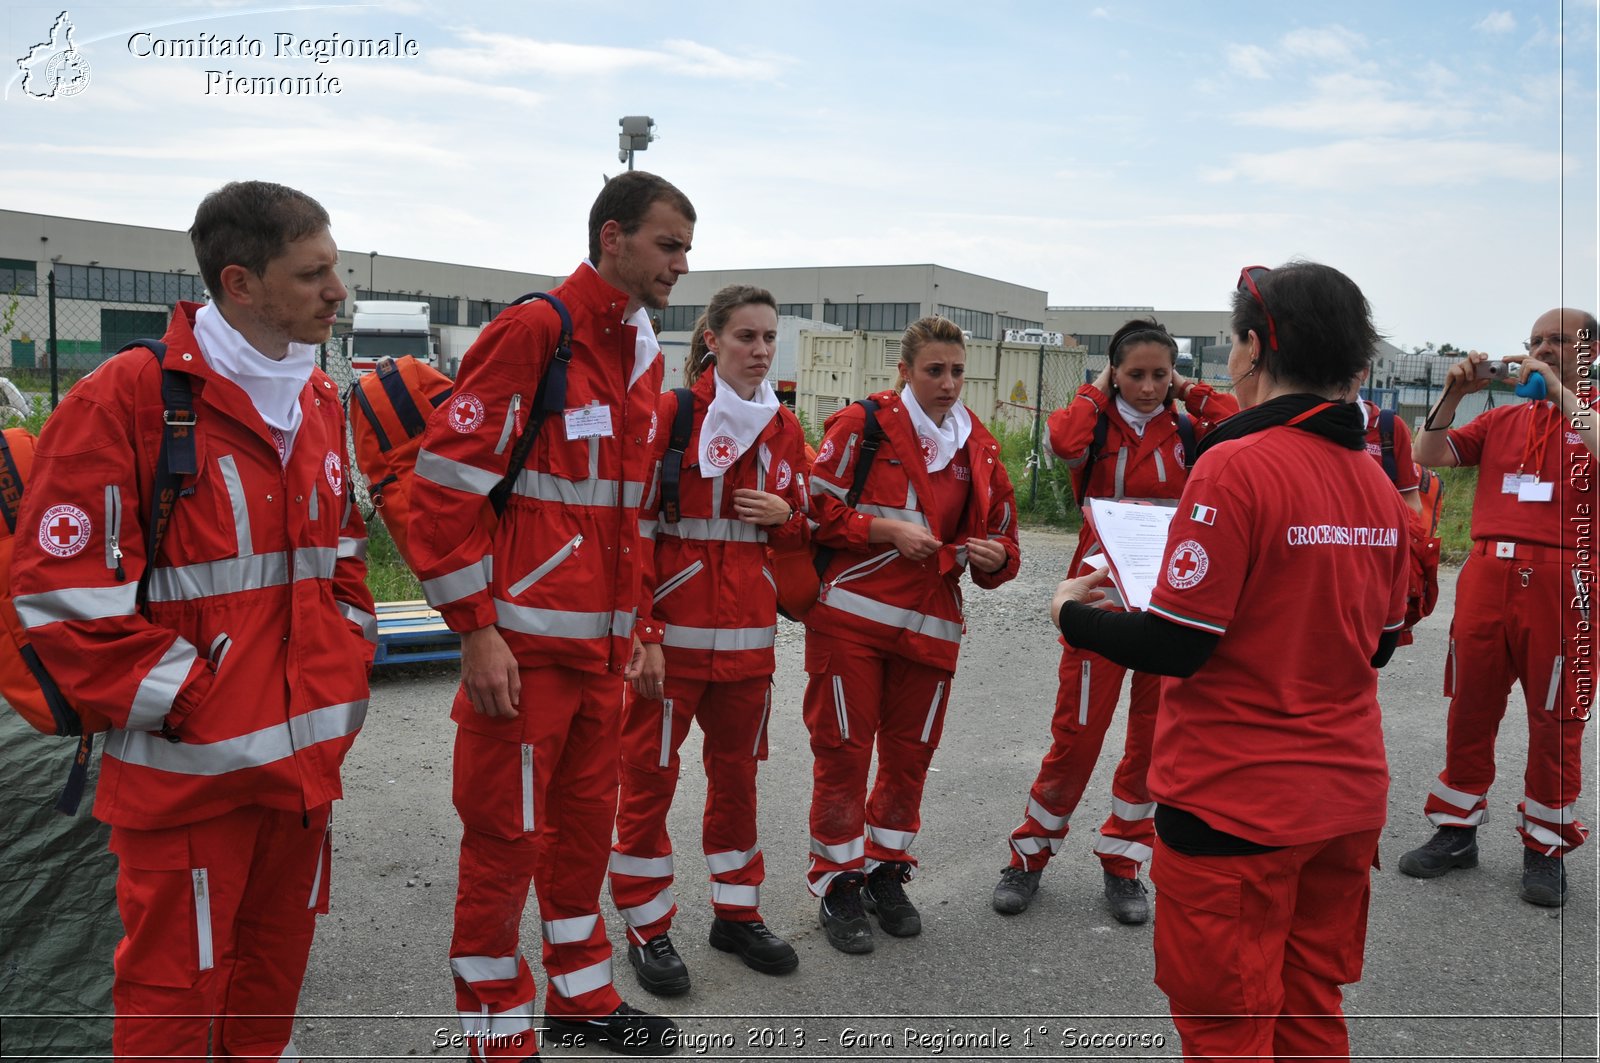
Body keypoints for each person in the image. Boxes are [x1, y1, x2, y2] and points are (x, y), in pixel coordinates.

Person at [11, 180, 376, 1060]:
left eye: (336, 267)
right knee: (172, 1005)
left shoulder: (320, 400)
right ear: (241, 283)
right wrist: (193, 700)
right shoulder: (125, 399)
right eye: (314, 272)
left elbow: (346, 557)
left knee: (269, 985)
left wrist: (347, 660)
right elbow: (60, 601)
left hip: (301, 778)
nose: (338, 291)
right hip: (186, 782)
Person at [1049, 261, 1410, 1059]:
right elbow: (1379, 642)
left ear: (1251, 347)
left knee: (1226, 1025)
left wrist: (1072, 616)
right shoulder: (1375, 480)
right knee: (1311, 1008)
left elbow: (1178, 641)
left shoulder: (1236, 463)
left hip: (1235, 802)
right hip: (1345, 800)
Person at [408, 172, 694, 1057]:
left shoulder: (642, 353)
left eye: (686, 248)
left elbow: (629, 517)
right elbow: (444, 490)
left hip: (602, 660)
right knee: (504, 848)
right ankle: (497, 1034)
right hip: (522, 659)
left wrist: (642, 627)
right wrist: (477, 630)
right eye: (667, 245)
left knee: (577, 842)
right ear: (612, 238)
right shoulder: (539, 332)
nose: (681, 265)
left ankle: (581, 1000)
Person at [993, 318, 1237, 924]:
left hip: (1168, 595)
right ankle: (1030, 854)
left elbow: (1237, 422)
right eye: (1136, 374)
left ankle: (1124, 860)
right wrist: (1098, 388)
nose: (1148, 386)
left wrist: (1189, 392)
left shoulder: (1186, 426)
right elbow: (1062, 442)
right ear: (1113, 372)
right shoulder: (1096, 419)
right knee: (1076, 733)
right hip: (1099, 591)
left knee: (1153, 738)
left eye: (1160, 374)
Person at [608, 285, 810, 995]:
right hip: (674, 647)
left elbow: (802, 522)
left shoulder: (784, 426)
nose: (759, 349)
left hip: (750, 651)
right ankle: (647, 923)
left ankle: (737, 910)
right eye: (746, 336)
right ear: (712, 341)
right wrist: (646, 633)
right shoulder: (675, 414)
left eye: (768, 337)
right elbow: (631, 531)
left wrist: (788, 514)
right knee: (649, 782)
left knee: (738, 783)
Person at [803, 314, 1021, 954]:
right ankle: (838, 884)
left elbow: (1007, 538)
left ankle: (885, 873)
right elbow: (813, 508)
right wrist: (885, 530)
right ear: (904, 372)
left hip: (930, 631)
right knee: (843, 753)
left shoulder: (977, 445)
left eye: (957, 371)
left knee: (909, 758)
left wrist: (995, 558)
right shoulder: (859, 426)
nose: (949, 384)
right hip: (852, 623)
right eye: (934, 371)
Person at [1398, 308, 1597, 907]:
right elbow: (1427, 453)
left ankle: (1545, 845)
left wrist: (1563, 391)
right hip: (1488, 572)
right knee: (1471, 703)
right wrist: (1453, 394)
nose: (1541, 349)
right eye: (1534, 341)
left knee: (1557, 712)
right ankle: (1456, 830)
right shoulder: (1504, 419)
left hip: (1567, 577)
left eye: (1557, 341)